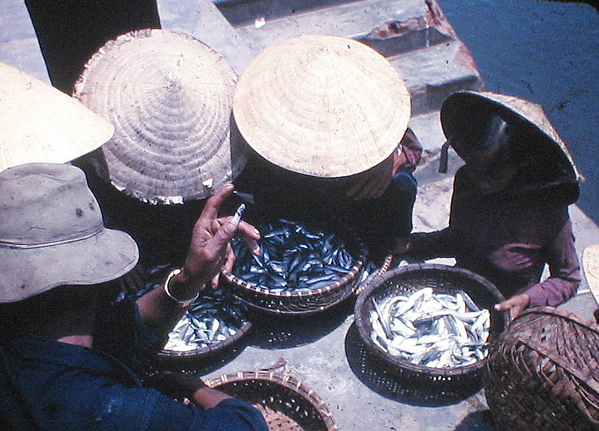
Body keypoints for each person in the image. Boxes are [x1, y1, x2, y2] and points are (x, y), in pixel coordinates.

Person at [0, 162, 268, 431]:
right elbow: (247, 425)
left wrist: (189, 278)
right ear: (99, 279)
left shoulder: (27, 342)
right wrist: (193, 386)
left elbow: (123, 327)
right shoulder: (106, 408)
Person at [232, 34, 422, 263]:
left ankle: (384, 253)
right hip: (289, 188)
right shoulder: (268, 111)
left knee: (402, 185)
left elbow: (413, 150)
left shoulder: (372, 109)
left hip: (350, 191)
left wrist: (393, 160)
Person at [394, 91, 582, 319]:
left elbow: (567, 278)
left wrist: (529, 299)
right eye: (473, 168)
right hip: (460, 298)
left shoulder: (548, 207)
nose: (481, 181)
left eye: (492, 171)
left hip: (509, 311)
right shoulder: (466, 181)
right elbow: (458, 239)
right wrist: (414, 244)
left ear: (520, 161)